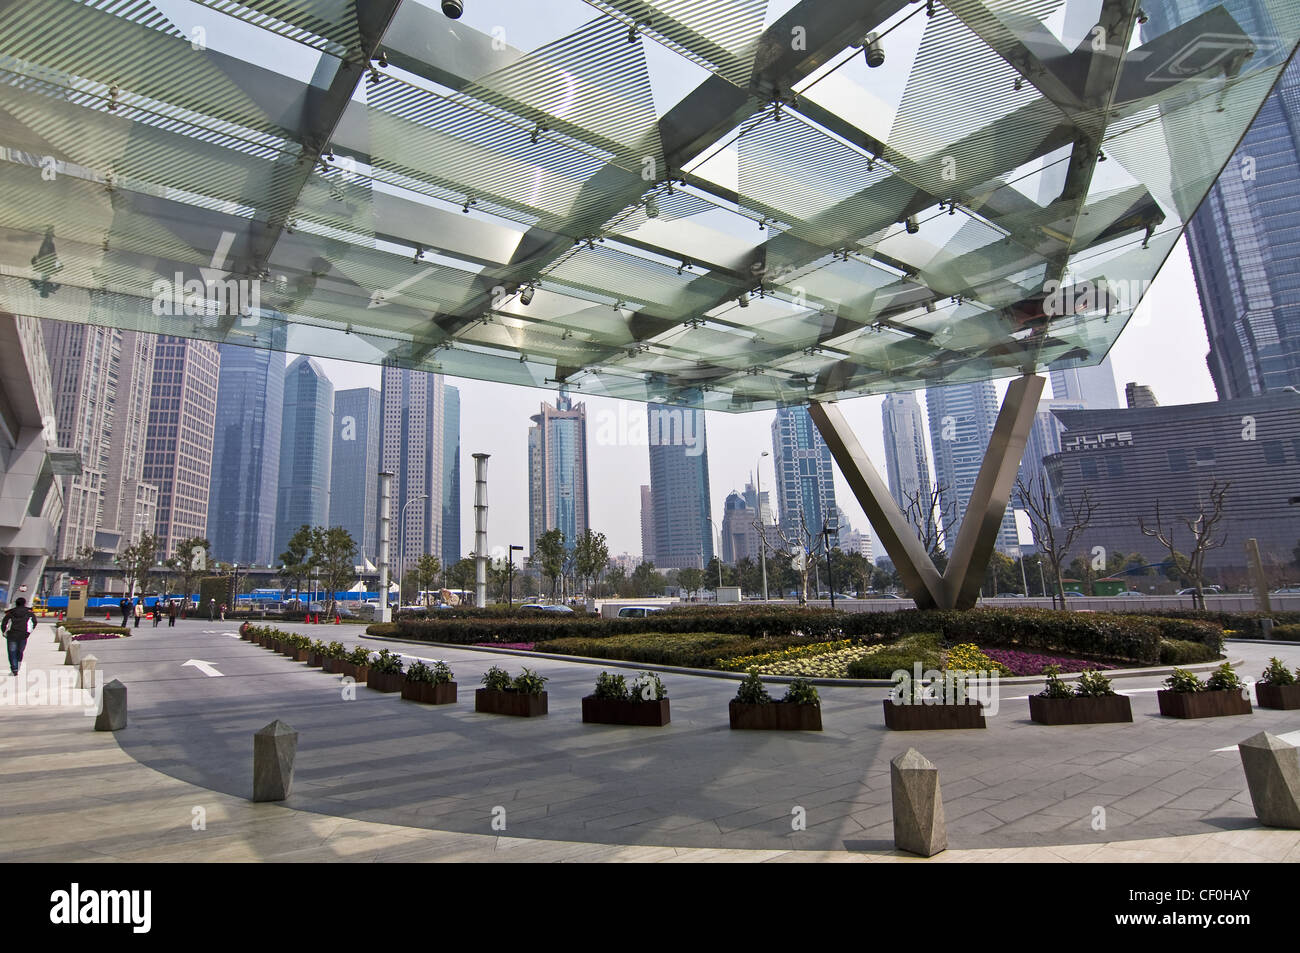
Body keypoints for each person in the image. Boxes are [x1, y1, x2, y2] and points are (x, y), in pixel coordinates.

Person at [3, 597, 36, 676]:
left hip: (12, 635)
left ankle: (14, 669)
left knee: (12, 652)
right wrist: (29, 632)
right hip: (23, 635)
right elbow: (34, 622)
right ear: (24, 603)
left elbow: (4, 624)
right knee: (20, 651)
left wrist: (4, 633)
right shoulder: (29, 613)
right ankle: (18, 666)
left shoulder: (10, 613)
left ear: (16, 604)